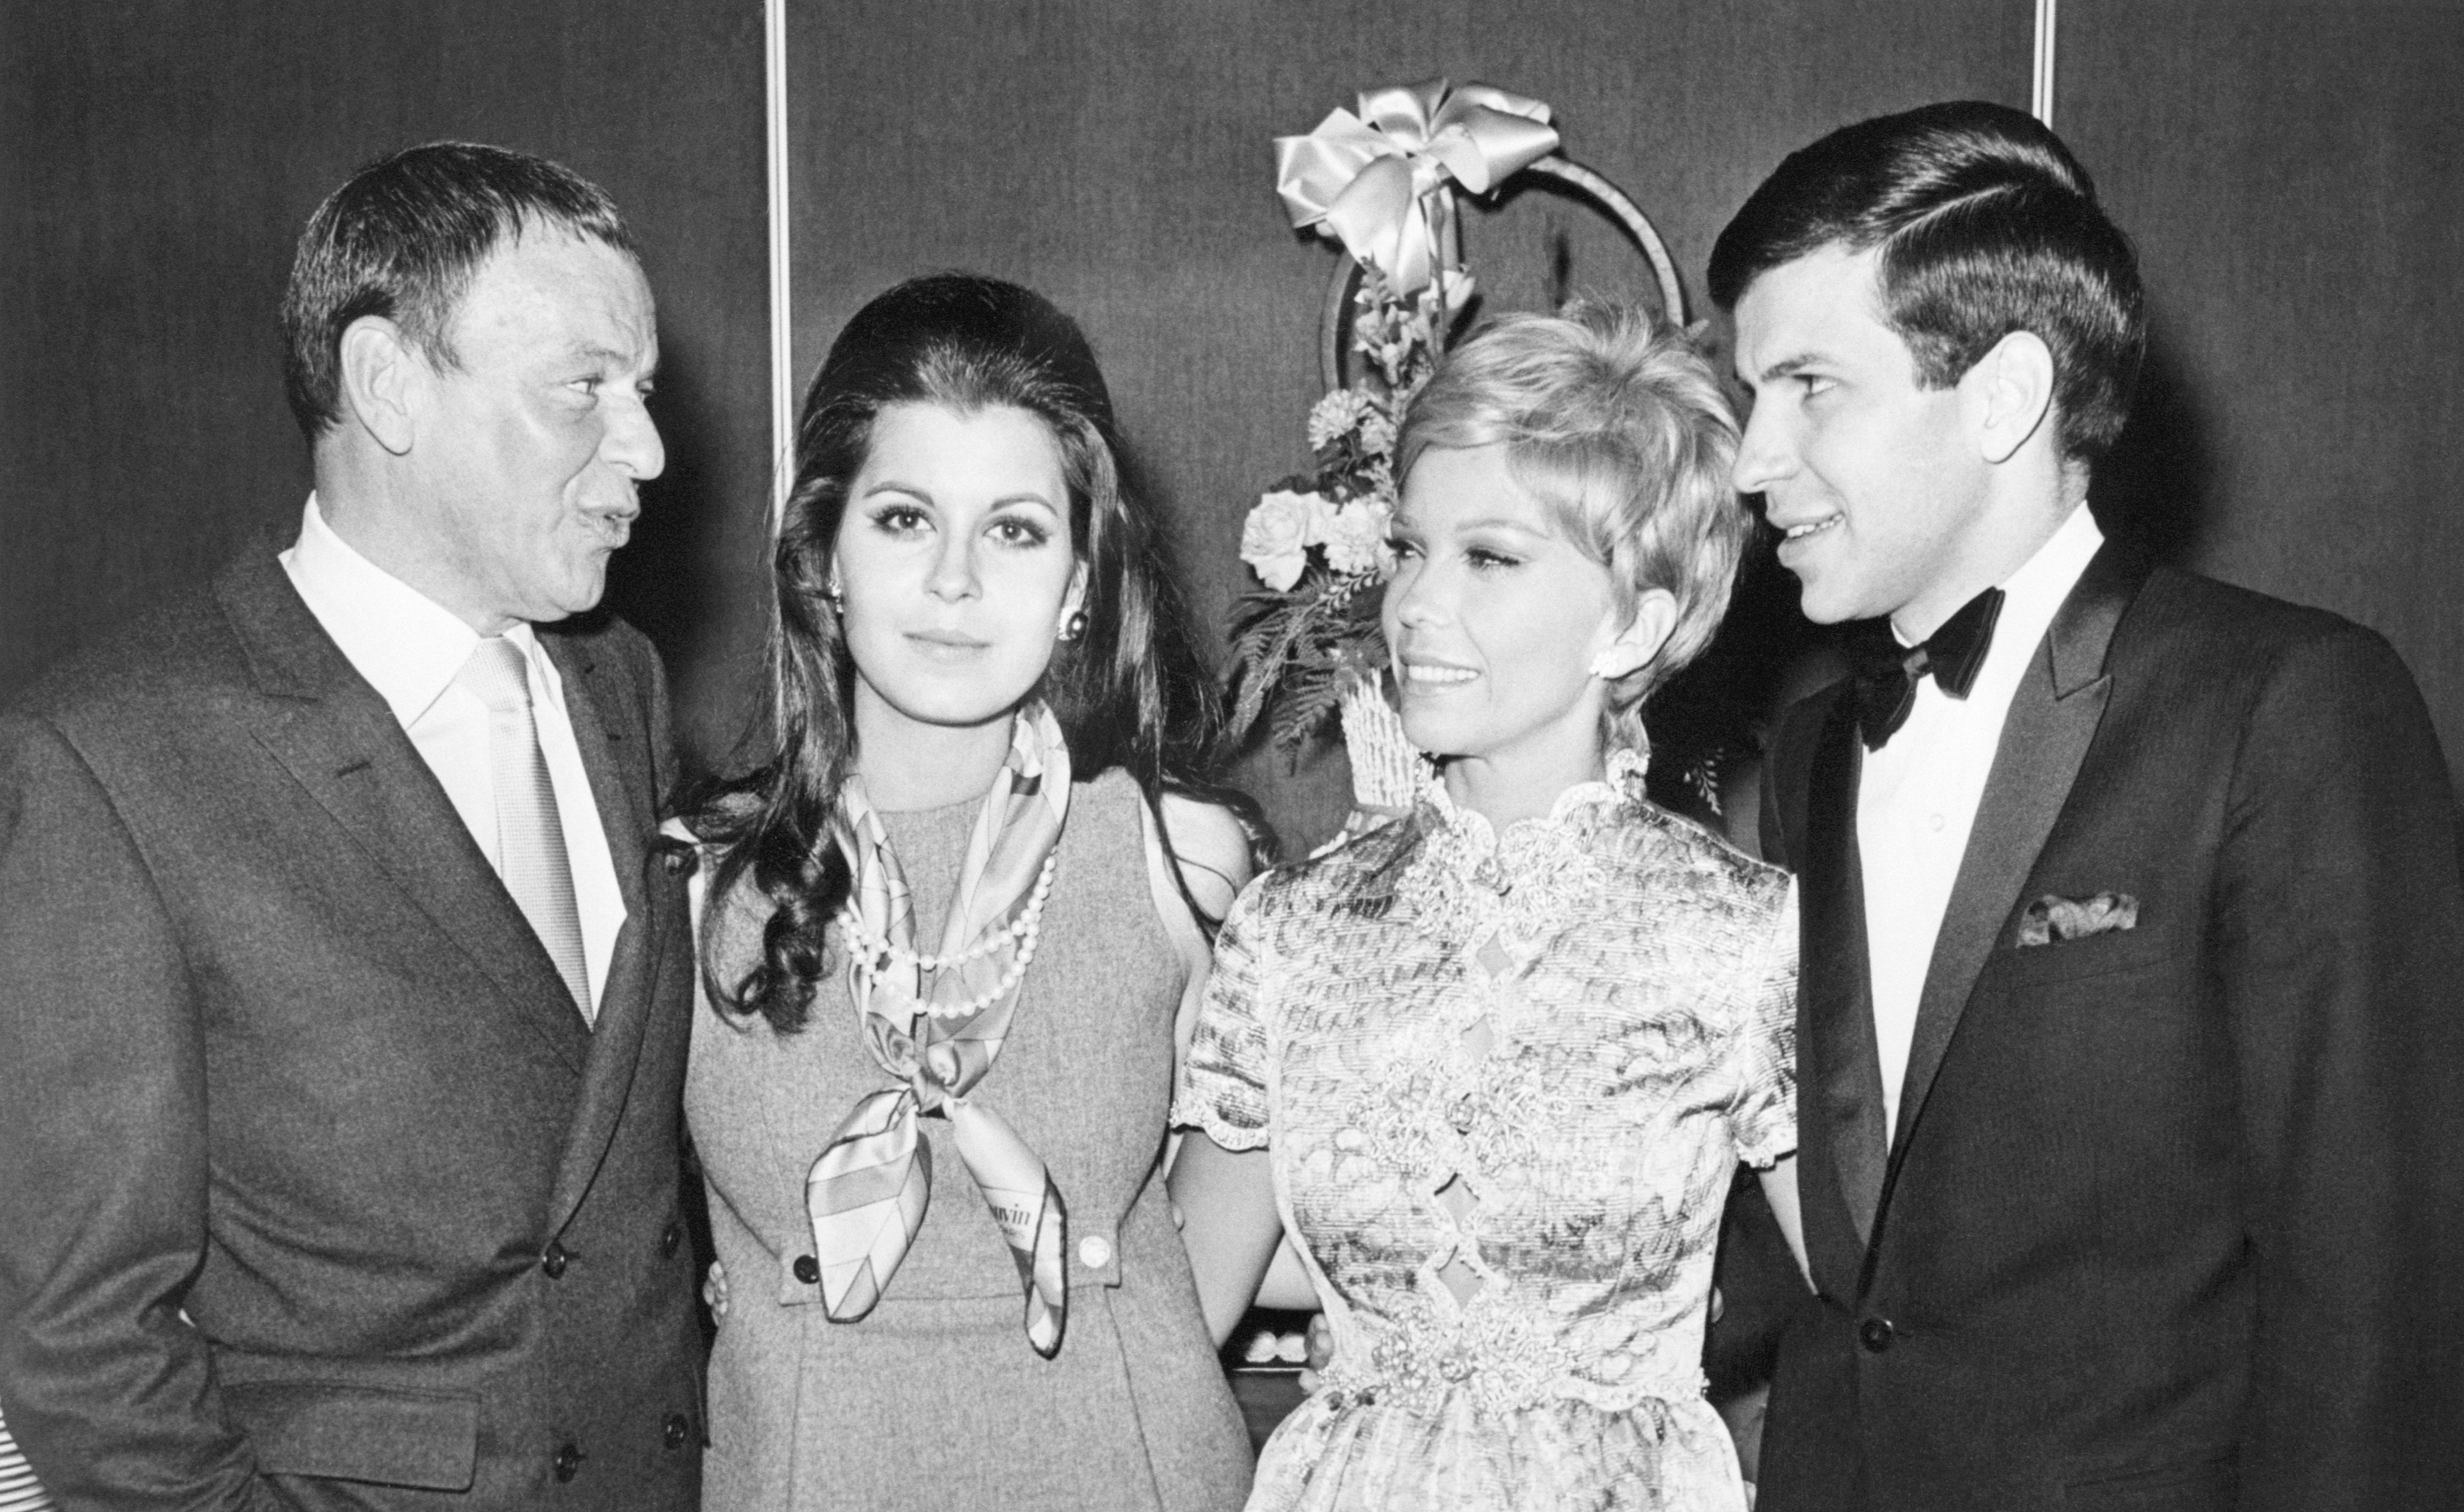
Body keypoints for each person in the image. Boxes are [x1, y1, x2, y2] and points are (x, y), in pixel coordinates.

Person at [1714, 101, 2464, 1512]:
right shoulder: (1814, 747)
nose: (1753, 459)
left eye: (1810, 386)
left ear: (2001, 396)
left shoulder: (2288, 705)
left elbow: (2371, 1296)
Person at [0, 142, 704, 1508]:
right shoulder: (112, 759)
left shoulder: (623, 683)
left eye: (646, 391)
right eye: (584, 390)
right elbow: (85, 1338)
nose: (650, 449)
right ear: (387, 385)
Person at [1172, 301, 1806, 1511]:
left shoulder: (1739, 931)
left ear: (1635, 618)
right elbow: (1176, 1303)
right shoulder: (1292, 931)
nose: (1414, 605)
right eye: (1410, 549)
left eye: (1491, 557)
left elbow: (1879, 1299)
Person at [681, 272, 1259, 1512]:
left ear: (1078, 583)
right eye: (902, 520)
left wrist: (1108, 1324)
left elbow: (1249, 1160)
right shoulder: (698, 882)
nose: (954, 581)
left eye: (1012, 529)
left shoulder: (1179, 851)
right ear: (823, 559)